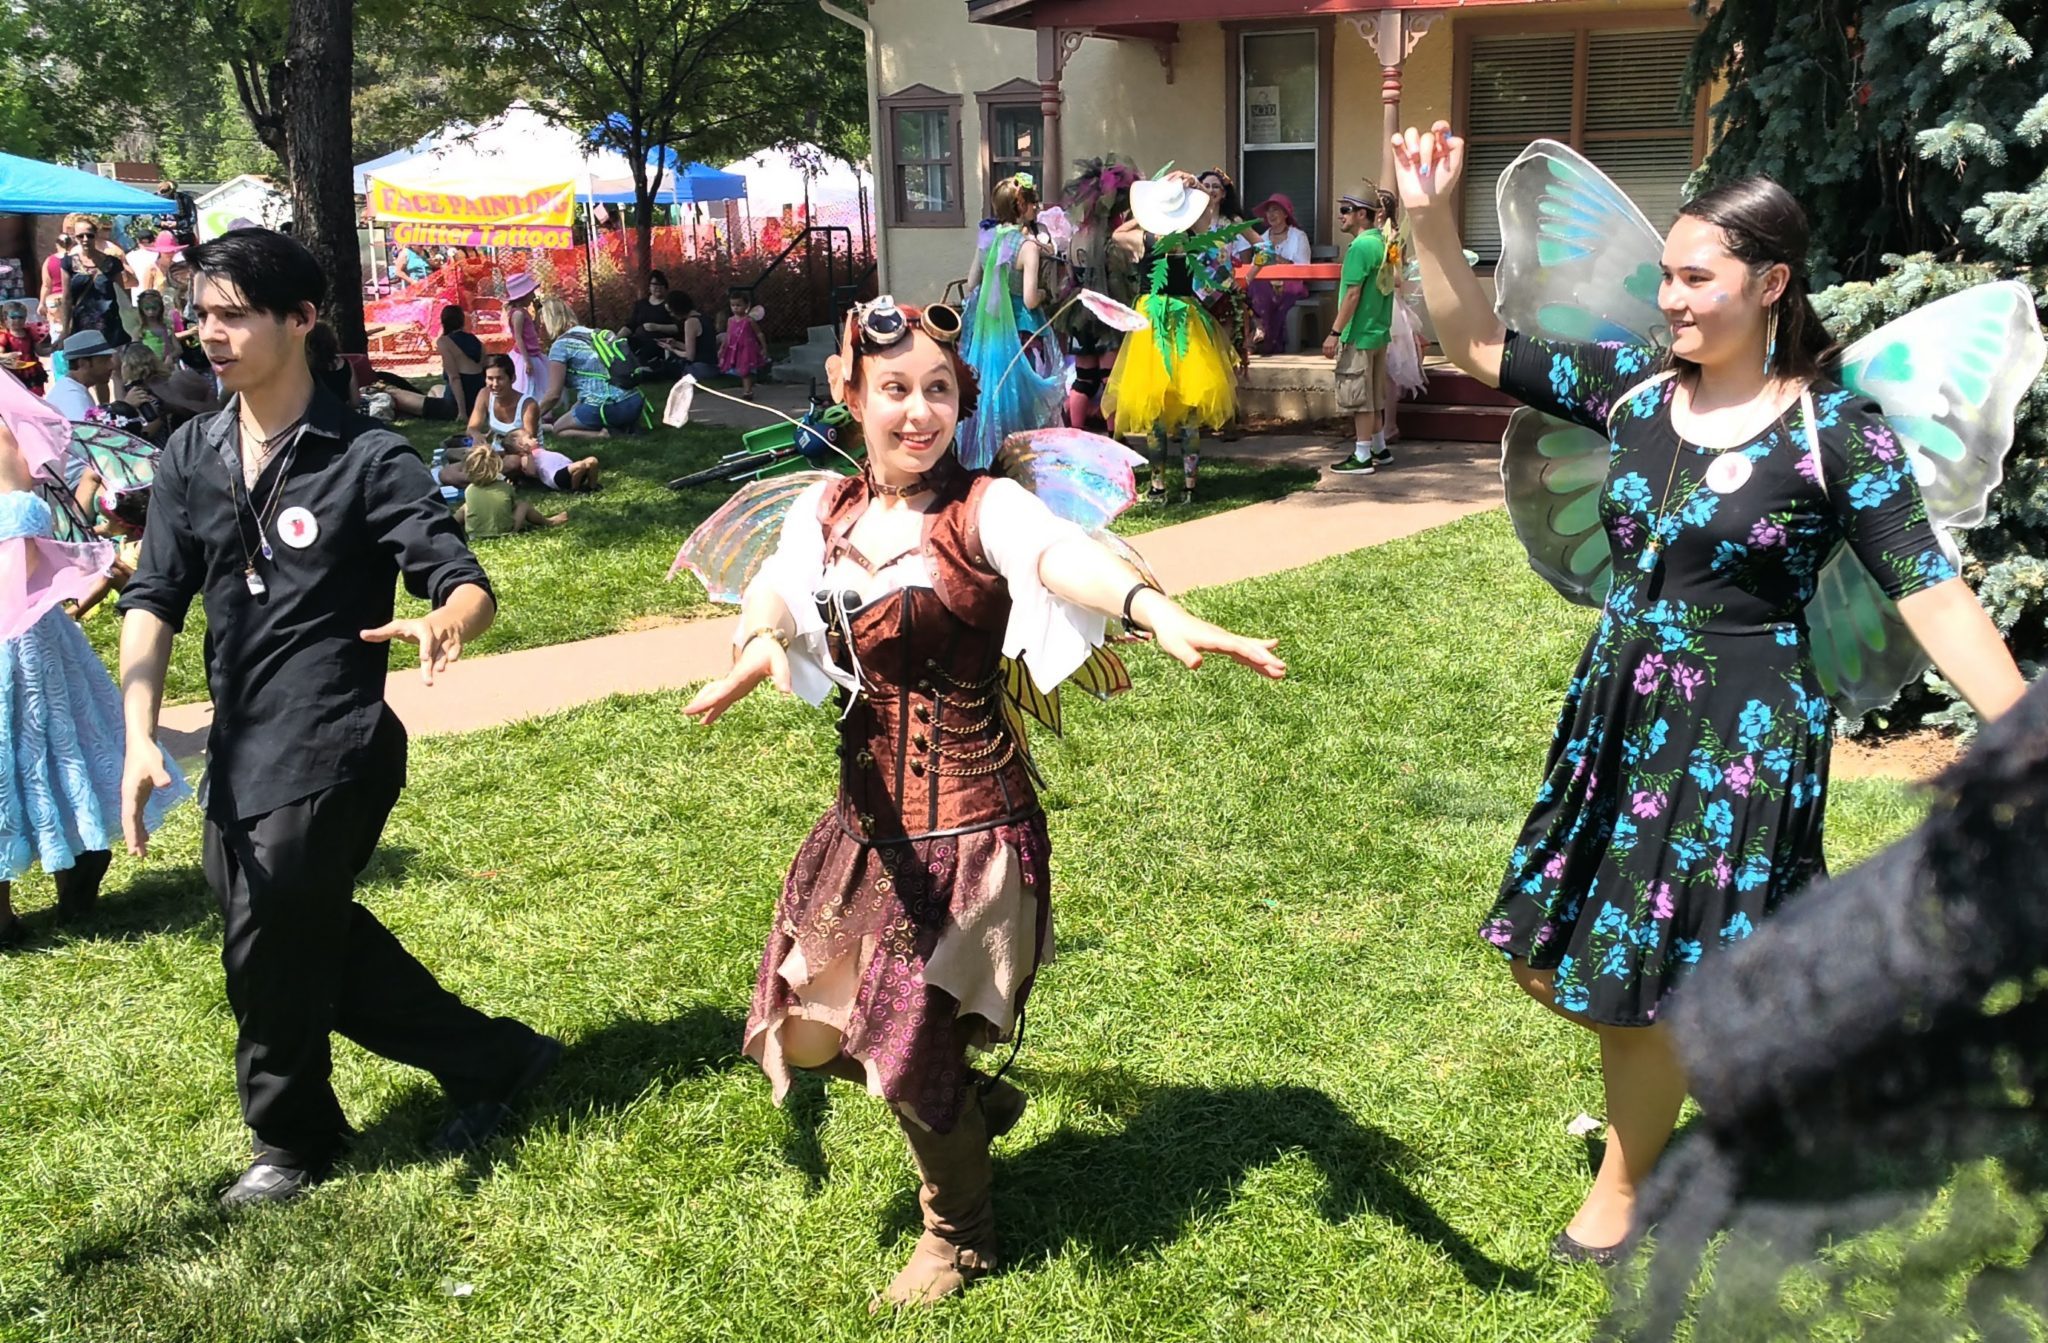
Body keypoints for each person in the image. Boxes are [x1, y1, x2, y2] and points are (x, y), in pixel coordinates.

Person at [1393, 120, 2029, 1263]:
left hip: (1741, 730)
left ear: (1769, 284)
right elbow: (1476, 344)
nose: (1670, 299)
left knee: (1640, 966)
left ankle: (1622, 1186)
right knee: (1552, 950)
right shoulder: (1636, 395)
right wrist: (1428, 220)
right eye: (1664, 277)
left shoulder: (1832, 433)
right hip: (1619, 712)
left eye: (1695, 278)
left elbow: (1928, 591)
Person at [683, 295, 1285, 1306]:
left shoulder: (983, 509)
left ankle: (956, 1232)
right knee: (809, 1032)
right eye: (894, 389)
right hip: (867, 827)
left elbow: (1060, 556)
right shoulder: (823, 510)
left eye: (938, 390)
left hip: (971, 830)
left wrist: (1153, 607)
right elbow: (778, 587)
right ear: (850, 394)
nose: (918, 411)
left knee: (904, 1041)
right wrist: (756, 642)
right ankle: (961, 1097)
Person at [116, 228, 561, 1210]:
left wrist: (446, 621)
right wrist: (139, 729)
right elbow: (153, 595)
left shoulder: (365, 457)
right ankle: (497, 1057)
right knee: (295, 927)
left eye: (235, 315)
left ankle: (292, 1138)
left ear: (301, 319)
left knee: (268, 934)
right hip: (241, 744)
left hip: (336, 738)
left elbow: (462, 578)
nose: (211, 334)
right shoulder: (191, 453)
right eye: (202, 315)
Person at [0, 395, 189, 949]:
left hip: (18, 628)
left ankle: (51, 883)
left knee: (31, 745)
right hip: (25, 629)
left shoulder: (3, 438)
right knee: (44, 745)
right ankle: (76, 863)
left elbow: (20, 549)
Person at [1104, 171, 1239, 503]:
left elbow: (1118, 233)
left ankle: (1158, 486)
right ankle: (1190, 486)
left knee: (1155, 409)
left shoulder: (1143, 239)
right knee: (1189, 406)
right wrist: (1195, 191)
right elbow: (1209, 221)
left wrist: (1145, 210)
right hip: (1185, 316)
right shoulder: (1192, 236)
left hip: (1151, 320)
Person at [958, 173, 1064, 468]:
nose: (1037, 207)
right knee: (1022, 395)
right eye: (1033, 202)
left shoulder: (986, 239)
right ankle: (1023, 459)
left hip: (990, 332)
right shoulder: (1027, 246)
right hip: (1022, 330)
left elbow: (971, 283)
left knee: (992, 392)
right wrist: (1044, 293)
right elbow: (1030, 299)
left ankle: (988, 454)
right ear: (1020, 206)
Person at [1326, 191, 1398, 475]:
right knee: (1375, 396)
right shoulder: (1384, 242)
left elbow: (1353, 294)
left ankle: (1362, 455)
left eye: (1346, 209)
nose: (1341, 215)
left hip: (1359, 333)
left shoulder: (1359, 248)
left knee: (1360, 399)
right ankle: (1380, 448)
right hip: (1379, 332)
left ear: (1362, 214)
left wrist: (1334, 332)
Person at [538, 297, 642, 442]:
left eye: (541, 322)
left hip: (606, 407)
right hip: (634, 401)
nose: (539, 327)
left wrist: (530, 418)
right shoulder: (594, 334)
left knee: (558, 429)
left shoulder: (560, 346)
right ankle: (622, 425)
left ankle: (602, 435)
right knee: (575, 411)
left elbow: (553, 395)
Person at [1246, 193, 1312, 355]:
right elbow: (1255, 266)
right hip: (1265, 284)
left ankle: (1260, 337)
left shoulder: (1298, 236)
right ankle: (1259, 328)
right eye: (1268, 211)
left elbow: (1303, 268)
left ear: (1285, 214)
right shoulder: (1261, 238)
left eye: (1275, 210)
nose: (1271, 214)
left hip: (1292, 283)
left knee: (1267, 291)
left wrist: (1276, 258)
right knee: (1255, 287)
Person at [453, 444, 565, 539]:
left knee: (466, 507)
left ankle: (451, 525)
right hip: (505, 533)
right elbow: (511, 506)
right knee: (523, 506)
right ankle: (549, 522)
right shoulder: (505, 487)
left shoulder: (470, 490)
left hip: (474, 535)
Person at [436, 305, 486, 421]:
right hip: (479, 396)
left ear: (443, 321)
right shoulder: (475, 340)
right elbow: (483, 366)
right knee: (436, 389)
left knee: (432, 393)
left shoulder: (444, 342)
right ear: (462, 320)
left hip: (460, 398)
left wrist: (462, 412)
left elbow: (454, 378)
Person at [623, 269, 680, 369]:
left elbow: (678, 327)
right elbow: (630, 325)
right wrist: (615, 338)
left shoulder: (670, 305)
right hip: (639, 340)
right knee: (624, 345)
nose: (657, 287)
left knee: (645, 353)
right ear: (649, 286)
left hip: (659, 343)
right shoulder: (641, 304)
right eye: (654, 284)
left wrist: (657, 327)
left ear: (665, 287)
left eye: (661, 284)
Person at [717, 294, 769, 399]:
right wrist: (722, 348)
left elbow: (759, 333)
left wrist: (764, 347)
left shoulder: (749, 320)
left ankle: (747, 391)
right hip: (734, 348)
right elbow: (728, 335)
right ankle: (747, 389)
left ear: (746, 306)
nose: (735, 308)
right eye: (733, 305)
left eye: (738, 305)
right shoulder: (730, 320)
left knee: (745, 370)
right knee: (740, 369)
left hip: (747, 349)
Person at [504, 274, 546, 396]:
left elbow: (535, 329)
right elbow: (518, 337)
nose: (533, 296)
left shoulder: (524, 312)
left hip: (533, 353)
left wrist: (538, 312)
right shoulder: (518, 314)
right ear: (523, 296)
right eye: (531, 293)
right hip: (525, 355)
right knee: (528, 385)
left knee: (537, 383)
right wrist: (527, 361)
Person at [660, 291, 713, 380]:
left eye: (671, 312)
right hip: (712, 367)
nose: (671, 315)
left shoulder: (690, 322)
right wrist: (676, 344)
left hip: (699, 369)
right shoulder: (704, 318)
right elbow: (700, 348)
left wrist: (672, 350)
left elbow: (689, 356)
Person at [0, 304, 47, 395]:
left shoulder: (30, 333)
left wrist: (54, 348)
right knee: (18, 395)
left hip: (32, 371)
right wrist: (9, 355)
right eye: (13, 317)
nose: (17, 320)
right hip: (15, 371)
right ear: (5, 318)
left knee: (36, 394)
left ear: (25, 318)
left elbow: (40, 351)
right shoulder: (5, 337)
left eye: (21, 317)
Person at [133, 288, 186, 362]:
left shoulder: (167, 328)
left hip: (166, 366)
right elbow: (134, 352)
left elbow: (179, 349)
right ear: (142, 309)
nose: (151, 312)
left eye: (154, 308)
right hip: (149, 366)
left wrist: (171, 356)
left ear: (160, 308)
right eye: (147, 309)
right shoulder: (140, 331)